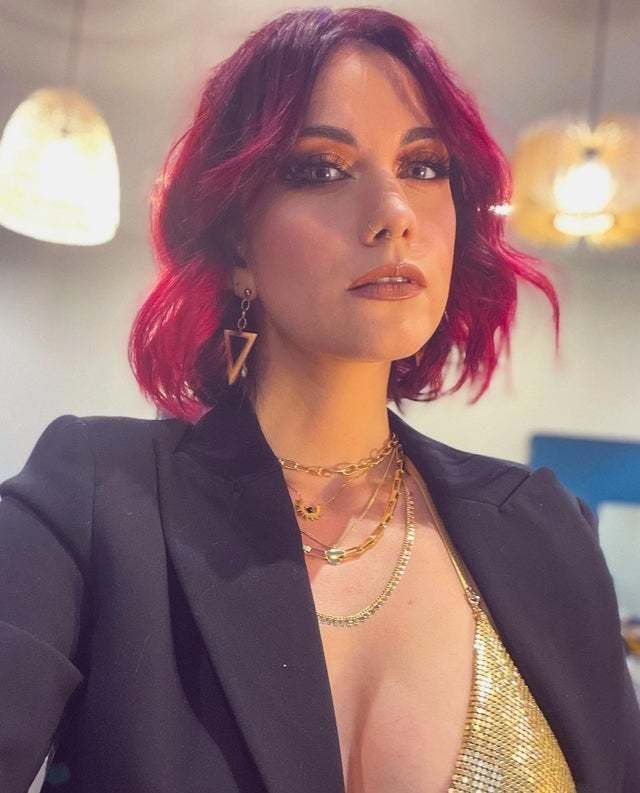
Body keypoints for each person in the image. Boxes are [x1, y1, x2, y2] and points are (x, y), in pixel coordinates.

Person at [1, 6, 639, 793]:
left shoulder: (545, 529)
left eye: (424, 166)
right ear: (237, 239)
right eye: (321, 169)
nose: (394, 214)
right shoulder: (96, 499)